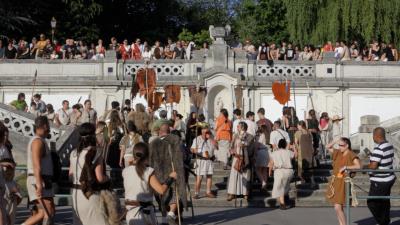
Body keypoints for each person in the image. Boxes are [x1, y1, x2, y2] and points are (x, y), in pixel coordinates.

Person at [123, 142, 177, 225]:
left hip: (130, 213)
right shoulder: (148, 171)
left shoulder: (125, 171)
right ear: (148, 156)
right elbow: (161, 190)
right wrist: (171, 178)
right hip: (144, 214)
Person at [69, 123, 110, 225]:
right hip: (90, 194)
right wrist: (108, 178)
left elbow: (70, 176)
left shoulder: (73, 153)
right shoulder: (96, 152)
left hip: (75, 195)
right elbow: (100, 178)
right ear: (93, 136)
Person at [23, 116, 55, 225]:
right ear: (44, 126)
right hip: (39, 180)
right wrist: (39, 184)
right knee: (45, 212)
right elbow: (36, 165)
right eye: (48, 126)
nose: (49, 129)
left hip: (42, 180)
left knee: (49, 211)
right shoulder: (37, 141)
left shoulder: (41, 141)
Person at [325, 137, 361, 225]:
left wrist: (346, 167)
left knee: (338, 206)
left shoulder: (351, 154)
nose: (340, 147)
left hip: (343, 182)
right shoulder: (338, 152)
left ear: (347, 145)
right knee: (336, 207)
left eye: (342, 145)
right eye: (339, 145)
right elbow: (327, 147)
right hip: (335, 181)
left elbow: (358, 166)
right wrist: (335, 141)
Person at [366, 127, 396, 225]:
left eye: (373, 136)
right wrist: (373, 156)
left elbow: (373, 166)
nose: (373, 138)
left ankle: (383, 222)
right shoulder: (389, 146)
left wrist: (365, 167)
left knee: (371, 203)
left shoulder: (378, 149)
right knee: (384, 202)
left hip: (380, 181)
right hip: (389, 178)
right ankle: (386, 220)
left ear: (376, 136)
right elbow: (383, 160)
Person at [227, 122, 254, 201]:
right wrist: (231, 150)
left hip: (245, 158)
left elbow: (249, 145)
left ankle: (246, 193)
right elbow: (231, 145)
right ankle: (232, 193)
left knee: (245, 176)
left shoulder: (250, 136)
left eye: (238, 126)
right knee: (234, 176)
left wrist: (243, 142)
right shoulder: (235, 135)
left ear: (242, 127)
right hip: (236, 157)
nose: (237, 127)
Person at [0, 123, 21, 225]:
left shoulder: (7, 147)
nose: (6, 137)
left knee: (11, 210)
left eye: (7, 135)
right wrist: (5, 163)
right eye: (4, 135)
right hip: (3, 182)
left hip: (9, 181)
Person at [191, 126, 218, 199]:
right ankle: (196, 193)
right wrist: (195, 150)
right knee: (199, 177)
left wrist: (211, 139)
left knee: (209, 176)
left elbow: (217, 147)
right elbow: (192, 149)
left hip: (209, 160)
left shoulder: (211, 139)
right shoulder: (197, 139)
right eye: (206, 132)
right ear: (202, 133)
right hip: (201, 160)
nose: (207, 134)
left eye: (208, 132)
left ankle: (208, 192)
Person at [269, 139, 296, 210]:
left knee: (277, 189)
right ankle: (283, 200)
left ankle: (282, 203)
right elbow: (295, 156)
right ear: (285, 145)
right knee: (284, 187)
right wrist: (294, 148)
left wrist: (269, 172)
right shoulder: (289, 152)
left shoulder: (274, 153)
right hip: (289, 171)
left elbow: (271, 163)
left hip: (279, 171)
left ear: (278, 145)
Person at [255, 125, 271, 190]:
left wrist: (255, 153)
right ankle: (265, 184)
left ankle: (263, 182)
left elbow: (257, 145)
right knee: (264, 169)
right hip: (266, 152)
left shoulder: (260, 135)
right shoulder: (267, 135)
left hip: (260, 152)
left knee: (258, 169)